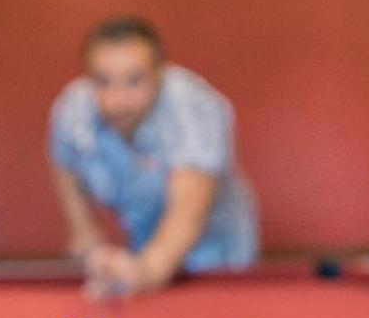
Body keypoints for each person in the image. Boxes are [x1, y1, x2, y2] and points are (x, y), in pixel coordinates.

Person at [49, 16, 259, 298]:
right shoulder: (74, 108)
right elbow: (65, 165)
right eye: (103, 81)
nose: (118, 99)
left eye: (134, 81)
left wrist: (148, 270)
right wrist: (85, 233)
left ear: (159, 74)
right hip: (143, 249)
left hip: (217, 260)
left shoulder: (192, 107)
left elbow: (187, 211)